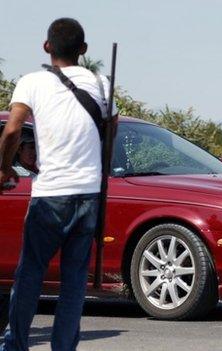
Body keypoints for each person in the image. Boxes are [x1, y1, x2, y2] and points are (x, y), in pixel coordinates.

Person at [0, 18, 117, 350]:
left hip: (50, 194)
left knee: (30, 275)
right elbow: (111, 130)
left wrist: (4, 168)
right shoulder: (101, 82)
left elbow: (12, 130)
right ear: (83, 50)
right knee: (74, 280)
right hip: (89, 194)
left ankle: (16, 344)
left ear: (46, 46)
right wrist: (102, 169)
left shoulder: (31, 83)